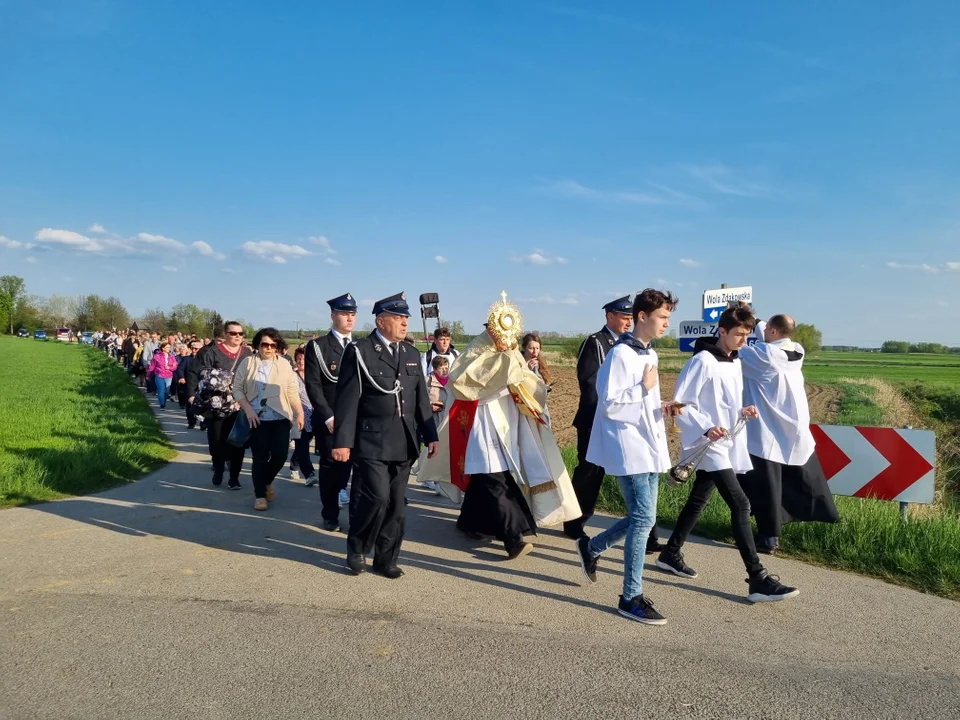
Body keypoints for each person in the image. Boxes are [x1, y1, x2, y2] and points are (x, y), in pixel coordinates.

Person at [418, 292, 581, 560]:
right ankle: (515, 536)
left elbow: (527, 381)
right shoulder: (475, 349)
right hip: (480, 423)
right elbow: (461, 382)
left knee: (491, 478)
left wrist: (521, 379)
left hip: (508, 423)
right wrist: (502, 365)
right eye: (498, 331)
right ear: (490, 327)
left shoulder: (511, 349)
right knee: (494, 477)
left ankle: (471, 523)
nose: (504, 337)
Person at [656, 303, 800, 603]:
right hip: (707, 443)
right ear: (721, 331)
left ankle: (670, 552)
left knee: (699, 499)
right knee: (741, 504)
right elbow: (681, 404)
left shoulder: (734, 361)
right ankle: (757, 578)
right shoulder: (703, 361)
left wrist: (741, 410)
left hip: (728, 439)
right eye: (738, 334)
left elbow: (723, 400)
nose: (743, 341)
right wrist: (707, 427)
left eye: (747, 335)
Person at [575, 289, 681, 625]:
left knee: (644, 519)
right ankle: (630, 596)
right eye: (662, 317)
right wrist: (643, 391)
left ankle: (591, 549)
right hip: (629, 448)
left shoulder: (648, 354)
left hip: (648, 445)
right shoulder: (620, 355)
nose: (666, 324)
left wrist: (660, 405)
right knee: (642, 520)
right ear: (641, 317)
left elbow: (639, 400)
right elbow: (609, 405)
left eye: (668, 318)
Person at [332, 292, 439, 578]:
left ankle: (386, 558)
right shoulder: (360, 351)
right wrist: (342, 441)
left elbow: (421, 401)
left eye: (406, 318)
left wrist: (431, 435)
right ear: (381, 321)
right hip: (371, 440)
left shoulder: (411, 354)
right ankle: (357, 549)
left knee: (396, 506)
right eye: (398, 318)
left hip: (403, 441)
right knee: (376, 498)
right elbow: (347, 400)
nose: (405, 323)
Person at [565, 296, 664, 554]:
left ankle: (648, 534)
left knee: (635, 484)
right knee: (589, 473)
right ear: (609, 316)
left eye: (630, 317)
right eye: (623, 317)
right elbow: (588, 382)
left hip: (625, 420)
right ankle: (575, 521)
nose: (627, 322)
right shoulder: (597, 343)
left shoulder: (636, 347)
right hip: (595, 418)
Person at [737, 314, 839, 553]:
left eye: (766, 329)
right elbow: (771, 331)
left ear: (772, 332)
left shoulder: (762, 355)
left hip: (766, 430)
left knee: (766, 488)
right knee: (791, 481)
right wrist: (755, 317)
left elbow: (733, 350)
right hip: (793, 428)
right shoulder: (797, 351)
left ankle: (769, 539)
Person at [234, 328, 305, 511]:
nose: (269, 348)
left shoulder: (284, 365)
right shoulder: (248, 363)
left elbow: (291, 390)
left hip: (280, 417)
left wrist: (299, 412)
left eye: (273, 345)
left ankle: (266, 482)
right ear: (258, 344)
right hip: (257, 418)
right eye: (265, 344)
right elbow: (238, 389)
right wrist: (248, 410)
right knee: (260, 457)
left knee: (281, 455)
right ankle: (259, 495)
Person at [304, 294, 358, 531]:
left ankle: (357, 515)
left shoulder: (360, 347)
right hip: (331, 420)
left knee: (357, 468)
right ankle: (330, 514)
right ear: (333, 315)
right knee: (331, 468)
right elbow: (313, 385)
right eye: (345, 313)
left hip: (356, 419)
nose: (349, 318)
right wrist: (328, 416)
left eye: (353, 314)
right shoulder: (318, 347)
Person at [186, 320, 254, 489]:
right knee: (217, 440)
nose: (237, 336)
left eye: (240, 333)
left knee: (237, 441)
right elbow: (202, 372)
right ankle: (218, 466)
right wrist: (219, 378)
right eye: (233, 333)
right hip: (217, 404)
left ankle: (234, 477)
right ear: (225, 334)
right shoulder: (213, 352)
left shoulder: (247, 353)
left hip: (239, 404)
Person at [419, 355, 450, 495]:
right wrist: (431, 406)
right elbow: (421, 400)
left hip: (447, 419)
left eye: (446, 368)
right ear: (434, 369)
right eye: (441, 368)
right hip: (433, 420)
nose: (444, 371)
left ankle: (440, 479)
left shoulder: (451, 382)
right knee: (432, 450)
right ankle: (428, 477)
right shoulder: (427, 381)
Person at [288, 345, 317, 486]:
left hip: (313, 414)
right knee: (303, 444)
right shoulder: (292, 375)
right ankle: (309, 473)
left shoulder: (313, 374)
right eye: (298, 359)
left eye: (304, 359)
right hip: (298, 415)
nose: (301, 361)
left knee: (303, 444)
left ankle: (294, 464)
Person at [175, 340, 202, 428]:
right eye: (192, 348)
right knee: (190, 404)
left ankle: (203, 423)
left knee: (203, 404)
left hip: (202, 385)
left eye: (196, 349)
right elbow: (180, 369)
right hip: (189, 385)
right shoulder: (186, 359)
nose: (194, 350)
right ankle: (191, 422)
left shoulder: (205, 360)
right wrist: (181, 377)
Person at [146, 341, 178, 409]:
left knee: (167, 391)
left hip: (169, 375)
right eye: (167, 347)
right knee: (161, 390)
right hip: (159, 375)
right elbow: (152, 366)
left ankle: (164, 401)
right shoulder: (156, 356)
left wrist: (169, 367)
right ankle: (162, 404)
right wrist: (148, 375)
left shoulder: (172, 357)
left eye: (170, 347)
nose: (169, 348)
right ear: (163, 348)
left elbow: (175, 366)